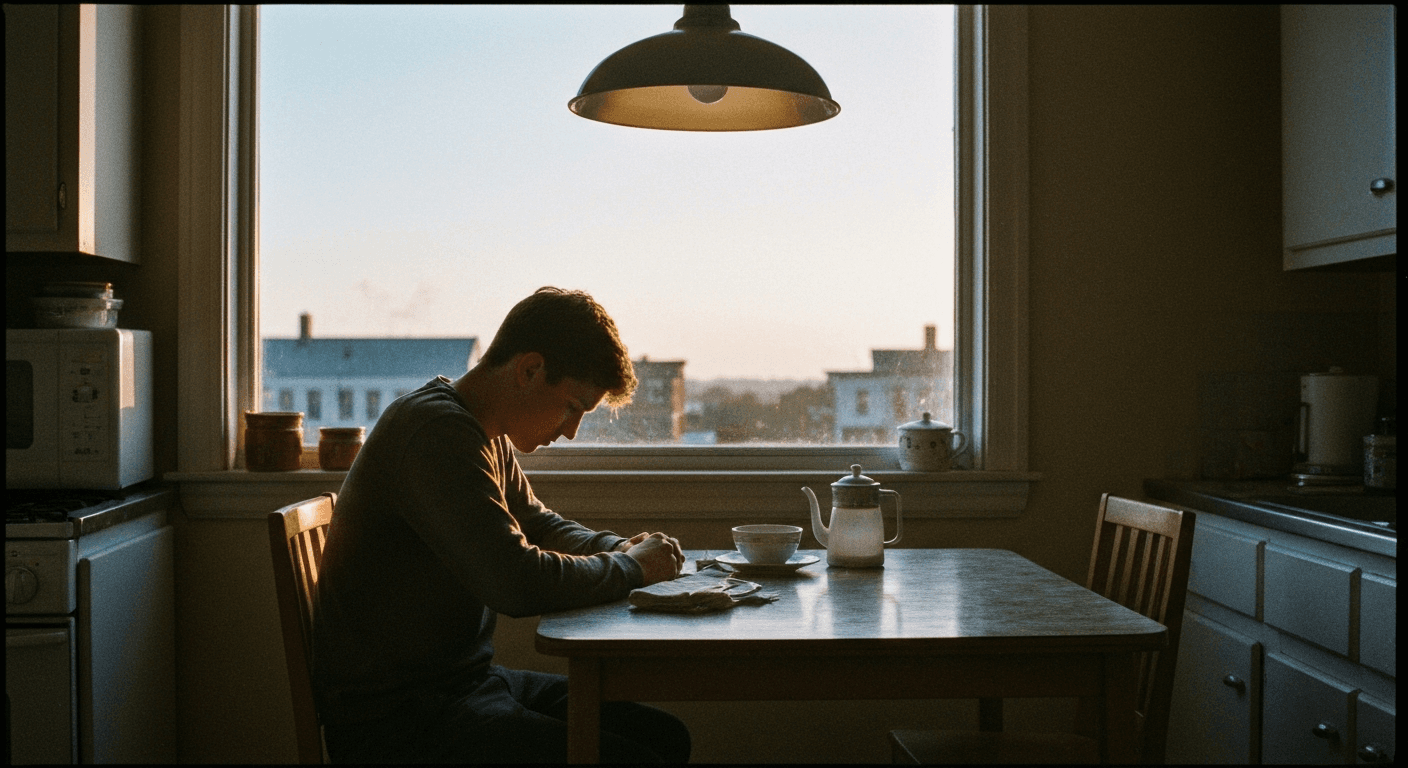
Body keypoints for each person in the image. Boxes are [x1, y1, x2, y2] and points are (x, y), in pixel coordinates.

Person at [312, 287, 692, 763]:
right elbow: (515, 581)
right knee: (639, 758)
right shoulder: (435, 431)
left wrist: (620, 547)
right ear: (529, 370)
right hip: (400, 719)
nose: (571, 430)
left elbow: (537, 524)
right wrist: (631, 568)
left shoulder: (481, 430)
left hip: (463, 684)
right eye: (572, 406)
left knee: (663, 736)